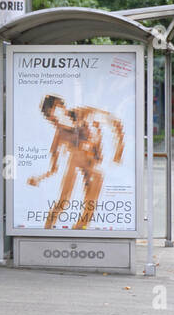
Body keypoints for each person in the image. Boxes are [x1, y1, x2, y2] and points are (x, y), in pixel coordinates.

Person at [27, 94, 125, 230]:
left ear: (61, 107)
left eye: (53, 115)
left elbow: (116, 122)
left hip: (94, 166)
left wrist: (118, 152)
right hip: (77, 165)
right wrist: (39, 178)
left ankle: (78, 235)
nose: (53, 121)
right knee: (63, 202)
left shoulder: (85, 114)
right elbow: (53, 168)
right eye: (50, 118)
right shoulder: (60, 135)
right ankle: (46, 233)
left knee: (88, 209)